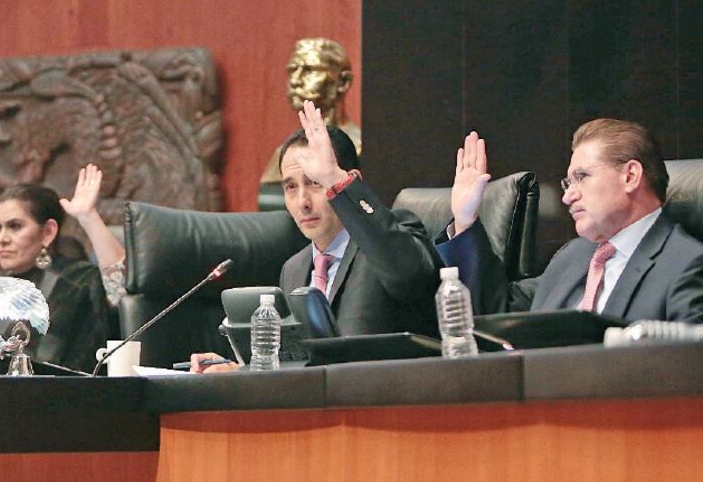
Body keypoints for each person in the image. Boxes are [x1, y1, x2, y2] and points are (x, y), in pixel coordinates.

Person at [192, 101, 441, 372]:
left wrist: (335, 178)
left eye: (314, 183)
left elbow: (407, 276)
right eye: (290, 187)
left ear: (348, 181)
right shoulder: (294, 269)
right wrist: (238, 369)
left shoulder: (393, 235)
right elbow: (298, 364)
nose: (302, 202)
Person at [437, 119, 703, 321]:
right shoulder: (574, 256)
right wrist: (465, 219)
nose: (568, 197)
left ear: (630, 175)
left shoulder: (687, 265)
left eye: (582, 177)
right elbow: (501, 313)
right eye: (568, 183)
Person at [0, 164, 126, 372]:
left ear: (48, 232)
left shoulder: (80, 279)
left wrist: (88, 217)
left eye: (15, 226)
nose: (2, 239)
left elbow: (122, 292)